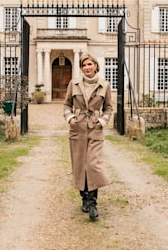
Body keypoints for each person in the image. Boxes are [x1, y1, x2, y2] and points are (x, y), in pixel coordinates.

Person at [63, 53, 113, 220]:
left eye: (90, 64)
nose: (87, 67)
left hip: (95, 129)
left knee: (92, 164)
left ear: (95, 66)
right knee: (80, 164)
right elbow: (67, 104)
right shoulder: (74, 83)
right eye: (84, 65)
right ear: (81, 68)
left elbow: (109, 108)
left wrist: (102, 121)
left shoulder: (104, 85)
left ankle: (93, 203)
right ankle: (84, 198)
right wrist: (70, 118)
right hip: (77, 128)